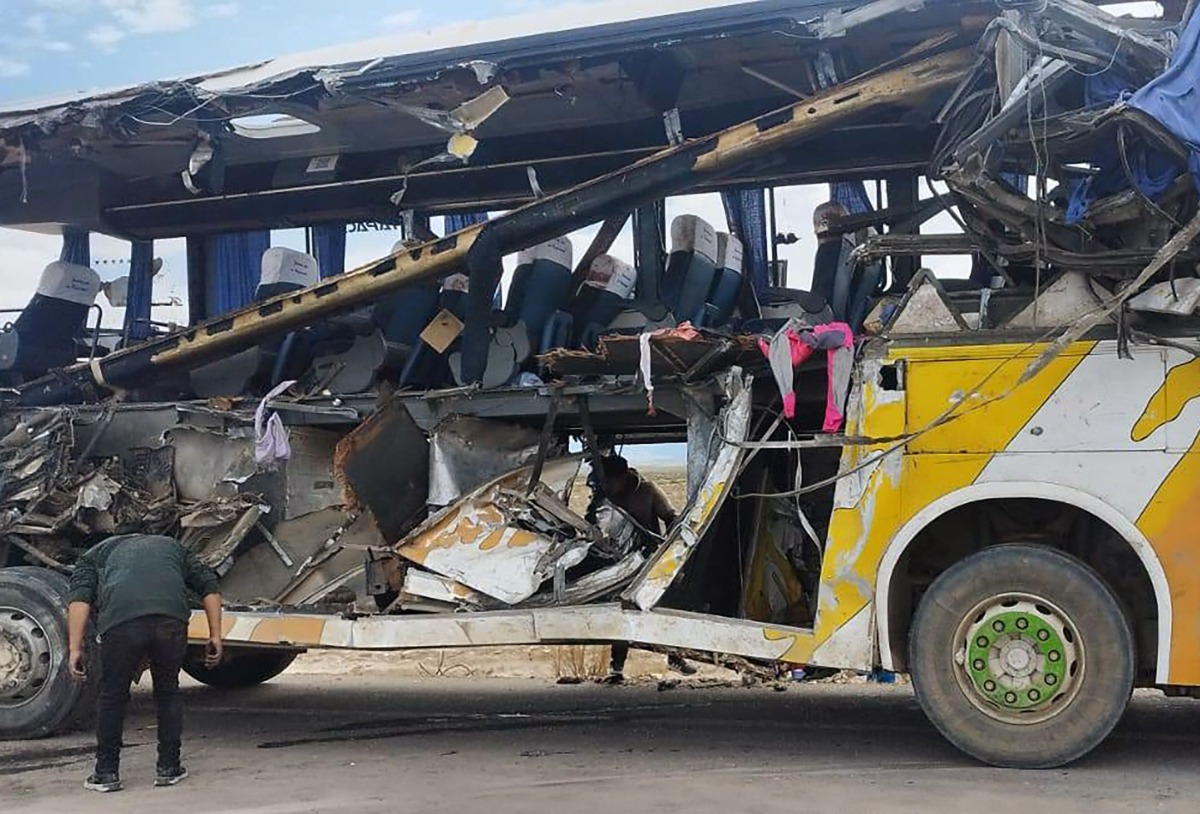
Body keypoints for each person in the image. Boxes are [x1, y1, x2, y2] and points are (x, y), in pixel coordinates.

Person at [67, 533, 224, 793]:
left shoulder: (94, 554)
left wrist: (74, 649)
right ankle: (169, 768)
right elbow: (209, 586)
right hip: (170, 621)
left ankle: (106, 773)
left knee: (112, 696)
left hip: (121, 624)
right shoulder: (173, 546)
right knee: (168, 692)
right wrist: (215, 635)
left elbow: (80, 599)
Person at [590, 454, 695, 682]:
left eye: (612, 480)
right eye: (605, 481)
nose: (609, 486)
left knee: (664, 607)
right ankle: (616, 669)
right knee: (621, 613)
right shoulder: (605, 498)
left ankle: (674, 656)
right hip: (619, 565)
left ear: (624, 476)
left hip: (648, 561)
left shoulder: (647, 491)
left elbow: (671, 516)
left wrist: (670, 548)